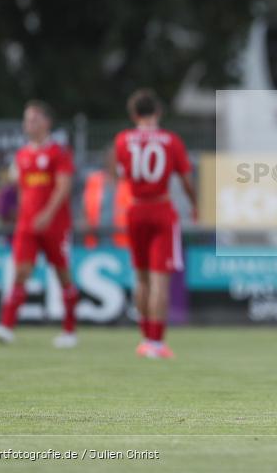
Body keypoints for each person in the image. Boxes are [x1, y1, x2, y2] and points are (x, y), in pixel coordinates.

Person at [0, 101, 79, 348]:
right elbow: (24, 191)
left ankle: (69, 331)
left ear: (47, 122)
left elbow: (63, 187)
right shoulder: (23, 155)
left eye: (33, 119)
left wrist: (47, 213)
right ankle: (6, 328)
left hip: (55, 224)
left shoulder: (59, 153)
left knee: (63, 276)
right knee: (20, 273)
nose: (28, 124)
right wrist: (22, 215)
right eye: (26, 120)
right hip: (27, 225)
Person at [115, 89, 196, 359]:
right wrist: (195, 204)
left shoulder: (123, 140)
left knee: (141, 278)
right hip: (161, 209)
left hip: (135, 209)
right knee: (160, 280)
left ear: (133, 114)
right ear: (158, 112)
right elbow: (185, 180)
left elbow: (122, 175)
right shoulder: (170, 140)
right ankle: (157, 343)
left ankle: (144, 338)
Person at [82, 146, 132, 249]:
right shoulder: (93, 180)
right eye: (112, 158)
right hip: (96, 240)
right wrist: (85, 222)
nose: (115, 162)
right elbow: (85, 208)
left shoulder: (130, 184)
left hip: (123, 242)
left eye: (118, 159)